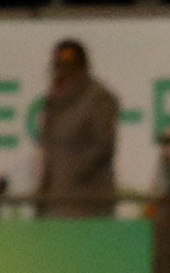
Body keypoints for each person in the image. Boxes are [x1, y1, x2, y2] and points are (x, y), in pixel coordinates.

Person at [32, 37, 119, 218]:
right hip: (54, 206)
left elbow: (102, 146)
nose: (61, 71)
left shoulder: (99, 99)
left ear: (81, 66)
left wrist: (71, 176)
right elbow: (49, 153)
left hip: (88, 205)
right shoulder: (53, 102)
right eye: (57, 65)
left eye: (67, 64)